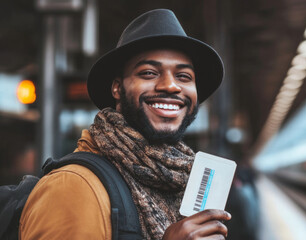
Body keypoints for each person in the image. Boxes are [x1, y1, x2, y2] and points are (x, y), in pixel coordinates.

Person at [20, 9, 231, 240]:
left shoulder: (181, 182)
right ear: (117, 88)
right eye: (149, 73)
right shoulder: (72, 187)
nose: (171, 86)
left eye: (184, 76)